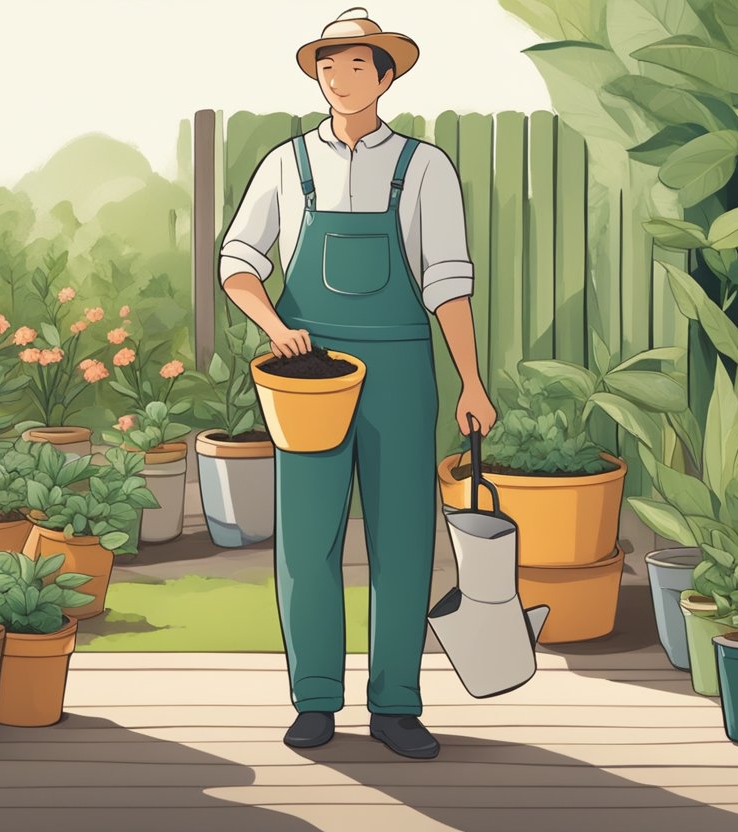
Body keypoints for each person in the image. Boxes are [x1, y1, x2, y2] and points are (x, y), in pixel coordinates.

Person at [218, 7, 497, 760]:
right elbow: (238, 264)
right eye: (328, 66)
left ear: (385, 76)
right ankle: (314, 700)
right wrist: (275, 327)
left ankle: (396, 705)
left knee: (403, 539)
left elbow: (448, 283)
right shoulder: (287, 165)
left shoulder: (424, 167)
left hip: (401, 373)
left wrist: (471, 382)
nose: (339, 79)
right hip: (306, 376)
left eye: (355, 66)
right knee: (307, 539)